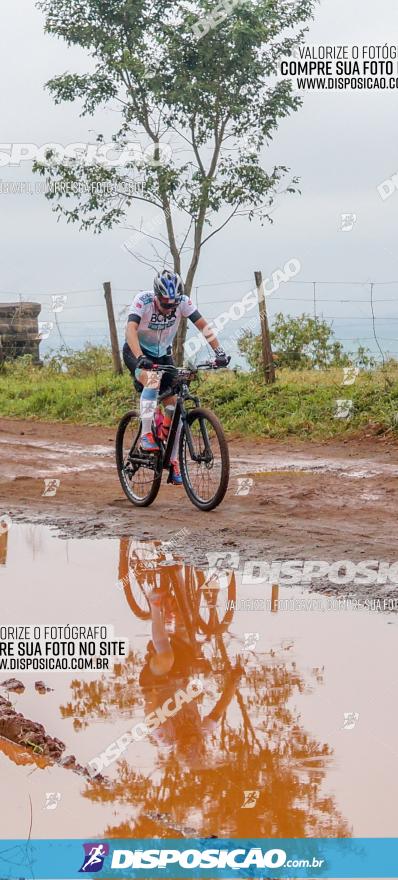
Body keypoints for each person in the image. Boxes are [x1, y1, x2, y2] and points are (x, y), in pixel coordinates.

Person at [123, 270, 229, 485]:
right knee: (151, 380)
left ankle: (173, 460)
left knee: (175, 404)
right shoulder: (142, 301)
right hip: (137, 352)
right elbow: (130, 330)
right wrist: (140, 357)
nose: (170, 308)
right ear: (156, 296)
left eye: (174, 304)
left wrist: (218, 352)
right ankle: (145, 436)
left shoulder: (183, 302)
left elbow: (203, 326)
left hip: (164, 354)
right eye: (164, 303)